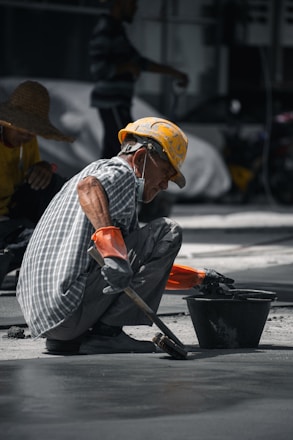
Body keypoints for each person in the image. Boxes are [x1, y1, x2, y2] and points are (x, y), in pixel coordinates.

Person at [16, 116, 232, 355]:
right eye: (165, 173)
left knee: (138, 249)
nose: (164, 185)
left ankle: (72, 339)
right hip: (67, 309)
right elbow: (89, 187)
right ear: (141, 158)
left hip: (49, 316)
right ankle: (107, 335)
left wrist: (198, 278)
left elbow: (139, 269)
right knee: (167, 231)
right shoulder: (121, 173)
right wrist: (112, 253)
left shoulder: (100, 173)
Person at [89, 0, 189, 159]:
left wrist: (174, 73)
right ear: (120, 3)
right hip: (111, 101)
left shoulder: (117, 30)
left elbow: (140, 62)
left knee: (115, 151)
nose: (135, 9)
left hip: (119, 102)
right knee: (127, 149)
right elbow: (98, 69)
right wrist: (126, 67)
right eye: (132, 5)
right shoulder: (106, 29)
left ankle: (101, 181)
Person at [0, 80, 74, 287]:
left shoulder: (28, 143)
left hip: (12, 215)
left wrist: (44, 168)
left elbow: (37, 182)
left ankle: (29, 253)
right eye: (22, 130)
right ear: (6, 123)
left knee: (56, 184)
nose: (26, 137)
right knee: (32, 241)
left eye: (31, 133)